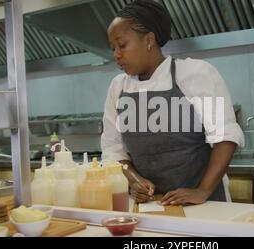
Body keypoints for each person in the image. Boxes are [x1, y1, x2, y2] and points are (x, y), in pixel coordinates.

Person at [102, 0, 244, 206]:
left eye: (122, 45)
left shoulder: (195, 74)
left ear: (149, 40)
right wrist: (134, 181)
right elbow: (113, 149)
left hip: (205, 206)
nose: (116, 54)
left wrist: (202, 191)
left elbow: (226, 136)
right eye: (113, 48)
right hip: (152, 207)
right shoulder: (118, 88)